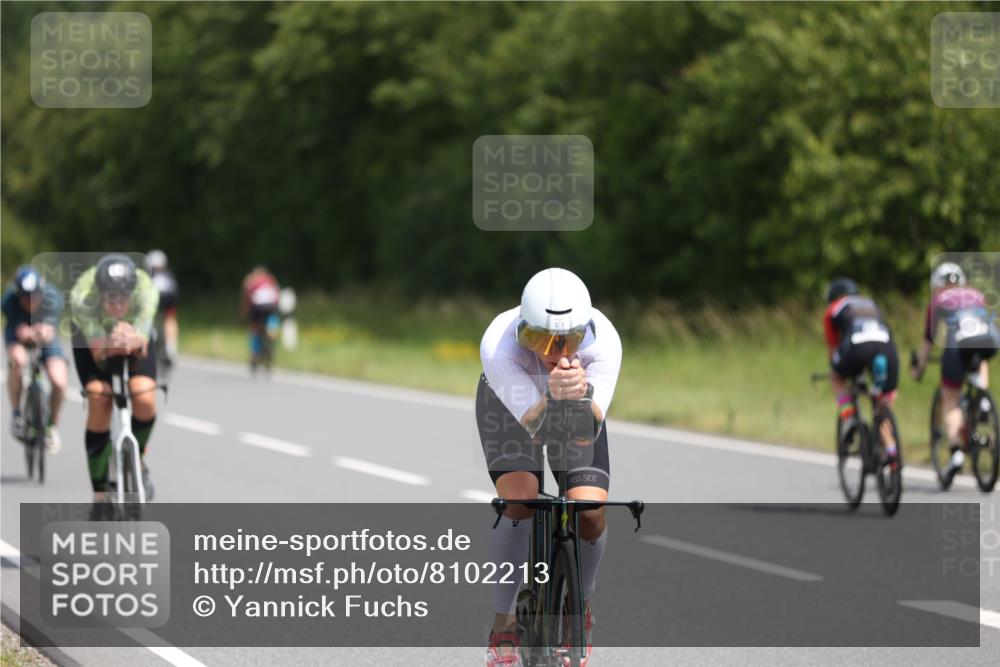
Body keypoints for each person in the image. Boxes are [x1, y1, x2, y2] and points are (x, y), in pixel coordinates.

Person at [478, 268, 621, 667]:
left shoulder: (605, 342)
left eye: (569, 341)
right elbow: (535, 426)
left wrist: (581, 393)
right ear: (522, 330)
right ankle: (503, 624)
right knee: (520, 499)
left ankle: (582, 604)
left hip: (577, 407)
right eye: (540, 341)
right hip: (512, 408)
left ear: (586, 332)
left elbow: (589, 427)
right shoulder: (499, 344)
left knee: (589, 510)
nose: (556, 353)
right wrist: (551, 396)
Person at [69, 254, 159, 500]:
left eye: (123, 297)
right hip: (91, 336)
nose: (117, 303)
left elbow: (142, 339)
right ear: (99, 293)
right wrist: (111, 343)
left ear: (132, 292)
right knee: (99, 397)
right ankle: (99, 491)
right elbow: (98, 350)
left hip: (132, 333)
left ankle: (138, 457)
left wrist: (135, 340)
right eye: (110, 297)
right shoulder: (82, 296)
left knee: (144, 396)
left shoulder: (146, 290)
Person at [911, 262, 999, 475]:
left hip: (958, 344)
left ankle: (956, 451)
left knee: (950, 397)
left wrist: (919, 368)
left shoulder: (938, 300)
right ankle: (983, 399)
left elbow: (928, 340)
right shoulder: (975, 293)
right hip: (990, 339)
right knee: (980, 356)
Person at [822, 277, 900, 461]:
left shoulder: (833, 308)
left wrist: (836, 369)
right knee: (883, 401)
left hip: (857, 346)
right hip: (886, 346)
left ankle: (849, 417)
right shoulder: (871, 303)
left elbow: (833, 346)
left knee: (836, 376)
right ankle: (890, 449)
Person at [2, 266, 67, 452]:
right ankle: (16, 414)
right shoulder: (9, 300)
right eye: (25, 297)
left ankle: (51, 425)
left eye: (34, 296)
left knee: (59, 381)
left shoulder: (53, 298)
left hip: (45, 334)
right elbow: (18, 330)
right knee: (18, 361)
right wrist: (24, 333)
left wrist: (42, 333)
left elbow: (50, 332)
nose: (30, 301)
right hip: (18, 333)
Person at [240, 265, 280, 373]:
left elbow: (246, 298)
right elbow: (277, 294)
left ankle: (255, 354)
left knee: (255, 329)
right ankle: (271, 337)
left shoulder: (250, 280)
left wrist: (244, 312)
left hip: (257, 308)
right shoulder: (270, 279)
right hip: (271, 307)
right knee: (272, 320)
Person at [146, 249, 179, 371]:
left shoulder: (147, 276)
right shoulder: (168, 275)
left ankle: (158, 341)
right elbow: (175, 293)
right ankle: (171, 347)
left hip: (155, 302)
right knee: (170, 319)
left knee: (151, 317)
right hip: (166, 301)